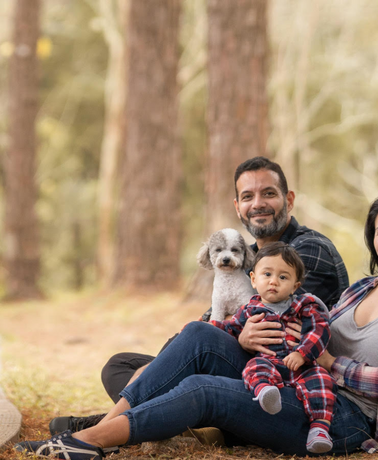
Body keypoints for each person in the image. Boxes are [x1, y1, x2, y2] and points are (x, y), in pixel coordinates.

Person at [17, 190, 378, 460]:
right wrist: (248, 335)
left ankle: (90, 440)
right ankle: (104, 431)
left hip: (345, 419)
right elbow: (306, 319)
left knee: (205, 390)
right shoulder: (364, 288)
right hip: (290, 376)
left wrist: (327, 360)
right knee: (199, 336)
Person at [51, 156, 350, 435]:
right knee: (121, 366)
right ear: (237, 207)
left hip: (282, 375)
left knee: (184, 350)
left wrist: (233, 334)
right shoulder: (248, 257)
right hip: (241, 358)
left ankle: (105, 426)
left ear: (289, 199)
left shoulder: (308, 249)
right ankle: (173, 419)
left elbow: (284, 332)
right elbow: (216, 319)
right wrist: (217, 336)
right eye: (248, 197)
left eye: (268, 194)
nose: (257, 204)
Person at [211, 242, 334, 454]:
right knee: (253, 368)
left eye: (283, 277)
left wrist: (302, 353)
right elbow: (230, 328)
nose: (273, 282)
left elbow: (320, 330)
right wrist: (209, 326)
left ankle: (320, 429)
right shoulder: (250, 309)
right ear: (253, 279)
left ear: (295, 286)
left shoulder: (304, 306)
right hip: (269, 362)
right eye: (267, 274)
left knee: (322, 382)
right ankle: (266, 392)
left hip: (301, 365)